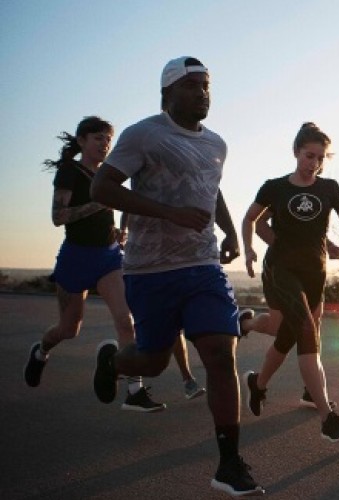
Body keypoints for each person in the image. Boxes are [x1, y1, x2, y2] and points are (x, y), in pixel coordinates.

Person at [90, 56, 263, 496]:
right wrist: (169, 213)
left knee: (221, 356)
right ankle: (114, 360)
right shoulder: (143, 134)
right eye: (192, 86)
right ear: (168, 92)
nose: (203, 93)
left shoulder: (217, 144)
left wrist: (226, 229)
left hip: (202, 266)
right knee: (152, 360)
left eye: (207, 85)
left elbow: (211, 185)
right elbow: (102, 187)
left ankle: (229, 463)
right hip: (151, 268)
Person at [23, 116, 165, 413]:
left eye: (108, 139)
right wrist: (98, 204)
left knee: (125, 320)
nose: (105, 144)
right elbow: (58, 217)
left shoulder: (109, 174)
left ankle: (134, 391)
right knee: (68, 329)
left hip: (108, 256)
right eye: (99, 138)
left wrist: (122, 229)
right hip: (76, 257)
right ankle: (41, 352)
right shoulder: (69, 172)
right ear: (82, 141)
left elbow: (128, 200)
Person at [241, 122, 339, 444]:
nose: (314, 163)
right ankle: (327, 417)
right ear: (296, 152)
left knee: (287, 332)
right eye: (309, 156)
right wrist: (250, 248)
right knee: (307, 329)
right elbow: (251, 218)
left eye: (320, 158)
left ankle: (258, 381)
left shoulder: (330, 188)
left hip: (314, 273)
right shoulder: (275, 187)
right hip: (281, 270)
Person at [120, 212, 207, 400]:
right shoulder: (146, 186)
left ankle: (187, 380)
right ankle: (115, 364)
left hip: (181, 261)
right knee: (154, 358)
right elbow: (129, 203)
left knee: (177, 328)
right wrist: (123, 230)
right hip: (148, 267)